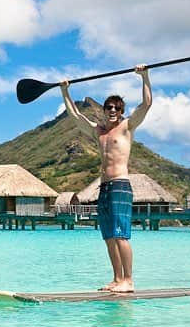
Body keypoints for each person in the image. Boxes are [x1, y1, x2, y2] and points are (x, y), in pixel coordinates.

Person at [60, 65, 152, 293]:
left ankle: (128, 280)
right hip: (104, 187)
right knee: (109, 236)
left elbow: (146, 104)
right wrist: (65, 91)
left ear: (121, 111)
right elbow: (75, 116)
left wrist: (145, 77)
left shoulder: (127, 126)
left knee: (121, 234)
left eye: (116, 108)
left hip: (121, 184)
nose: (112, 110)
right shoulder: (98, 131)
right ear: (103, 110)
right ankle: (117, 279)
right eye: (108, 107)